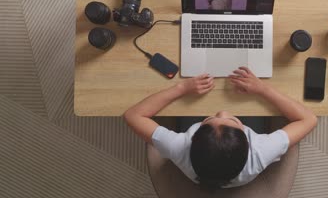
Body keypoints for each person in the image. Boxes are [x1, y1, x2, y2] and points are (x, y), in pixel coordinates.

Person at [124, 67, 318, 189]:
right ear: (250, 144)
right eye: (232, 121)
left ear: (191, 140)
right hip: (230, 171)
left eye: (211, 119)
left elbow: (133, 115)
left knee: (187, 106)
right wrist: (263, 89)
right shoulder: (261, 151)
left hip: (201, 171)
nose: (222, 111)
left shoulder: (179, 147)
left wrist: (181, 89)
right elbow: (308, 119)